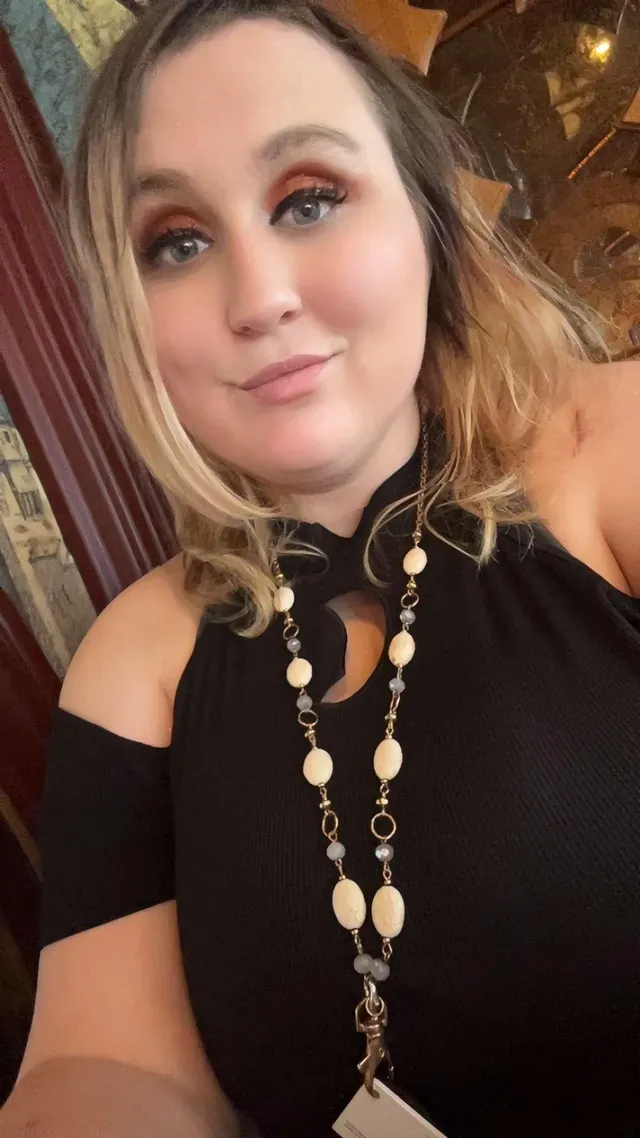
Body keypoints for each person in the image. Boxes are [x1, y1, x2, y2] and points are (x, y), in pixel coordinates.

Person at [1, 1, 637, 1136]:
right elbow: (99, 1060)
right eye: (176, 242)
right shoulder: (138, 656)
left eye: (308, 198)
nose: (258, 300)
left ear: (427, 214)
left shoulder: (617, 448)